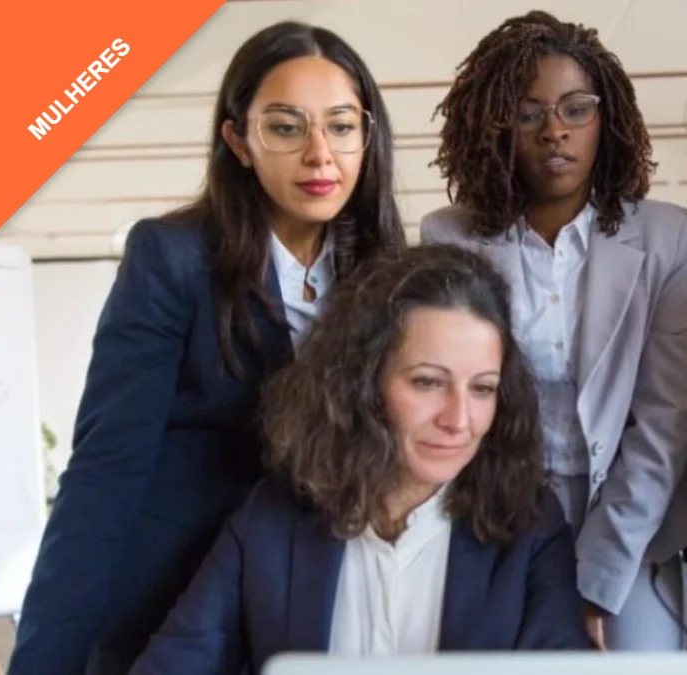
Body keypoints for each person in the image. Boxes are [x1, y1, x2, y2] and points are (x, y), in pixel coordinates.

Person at [11, 21, 406, 675]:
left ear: (367, 135)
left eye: (340, 126)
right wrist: (44, 662)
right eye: (285, 127)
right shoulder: (173, 258)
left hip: (318, 609)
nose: (320, 154)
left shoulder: (389, 277)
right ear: (238, 141)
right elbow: (104, 474)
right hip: (172, 603)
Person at [128, 244, 591, 674]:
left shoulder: (530, 526)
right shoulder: (273, 518)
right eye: (427, 382)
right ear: (362, 383)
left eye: (483, 388)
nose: (459, 420)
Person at [421, 10, 687, 651]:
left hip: (633, 513)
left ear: (607, 120)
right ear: (496, 127)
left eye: (576, 109)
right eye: (528, 115)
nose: (555, 131)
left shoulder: (669, 238)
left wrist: (598, 576)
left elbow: (665, 421)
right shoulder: (449, 237)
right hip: (497, 508)